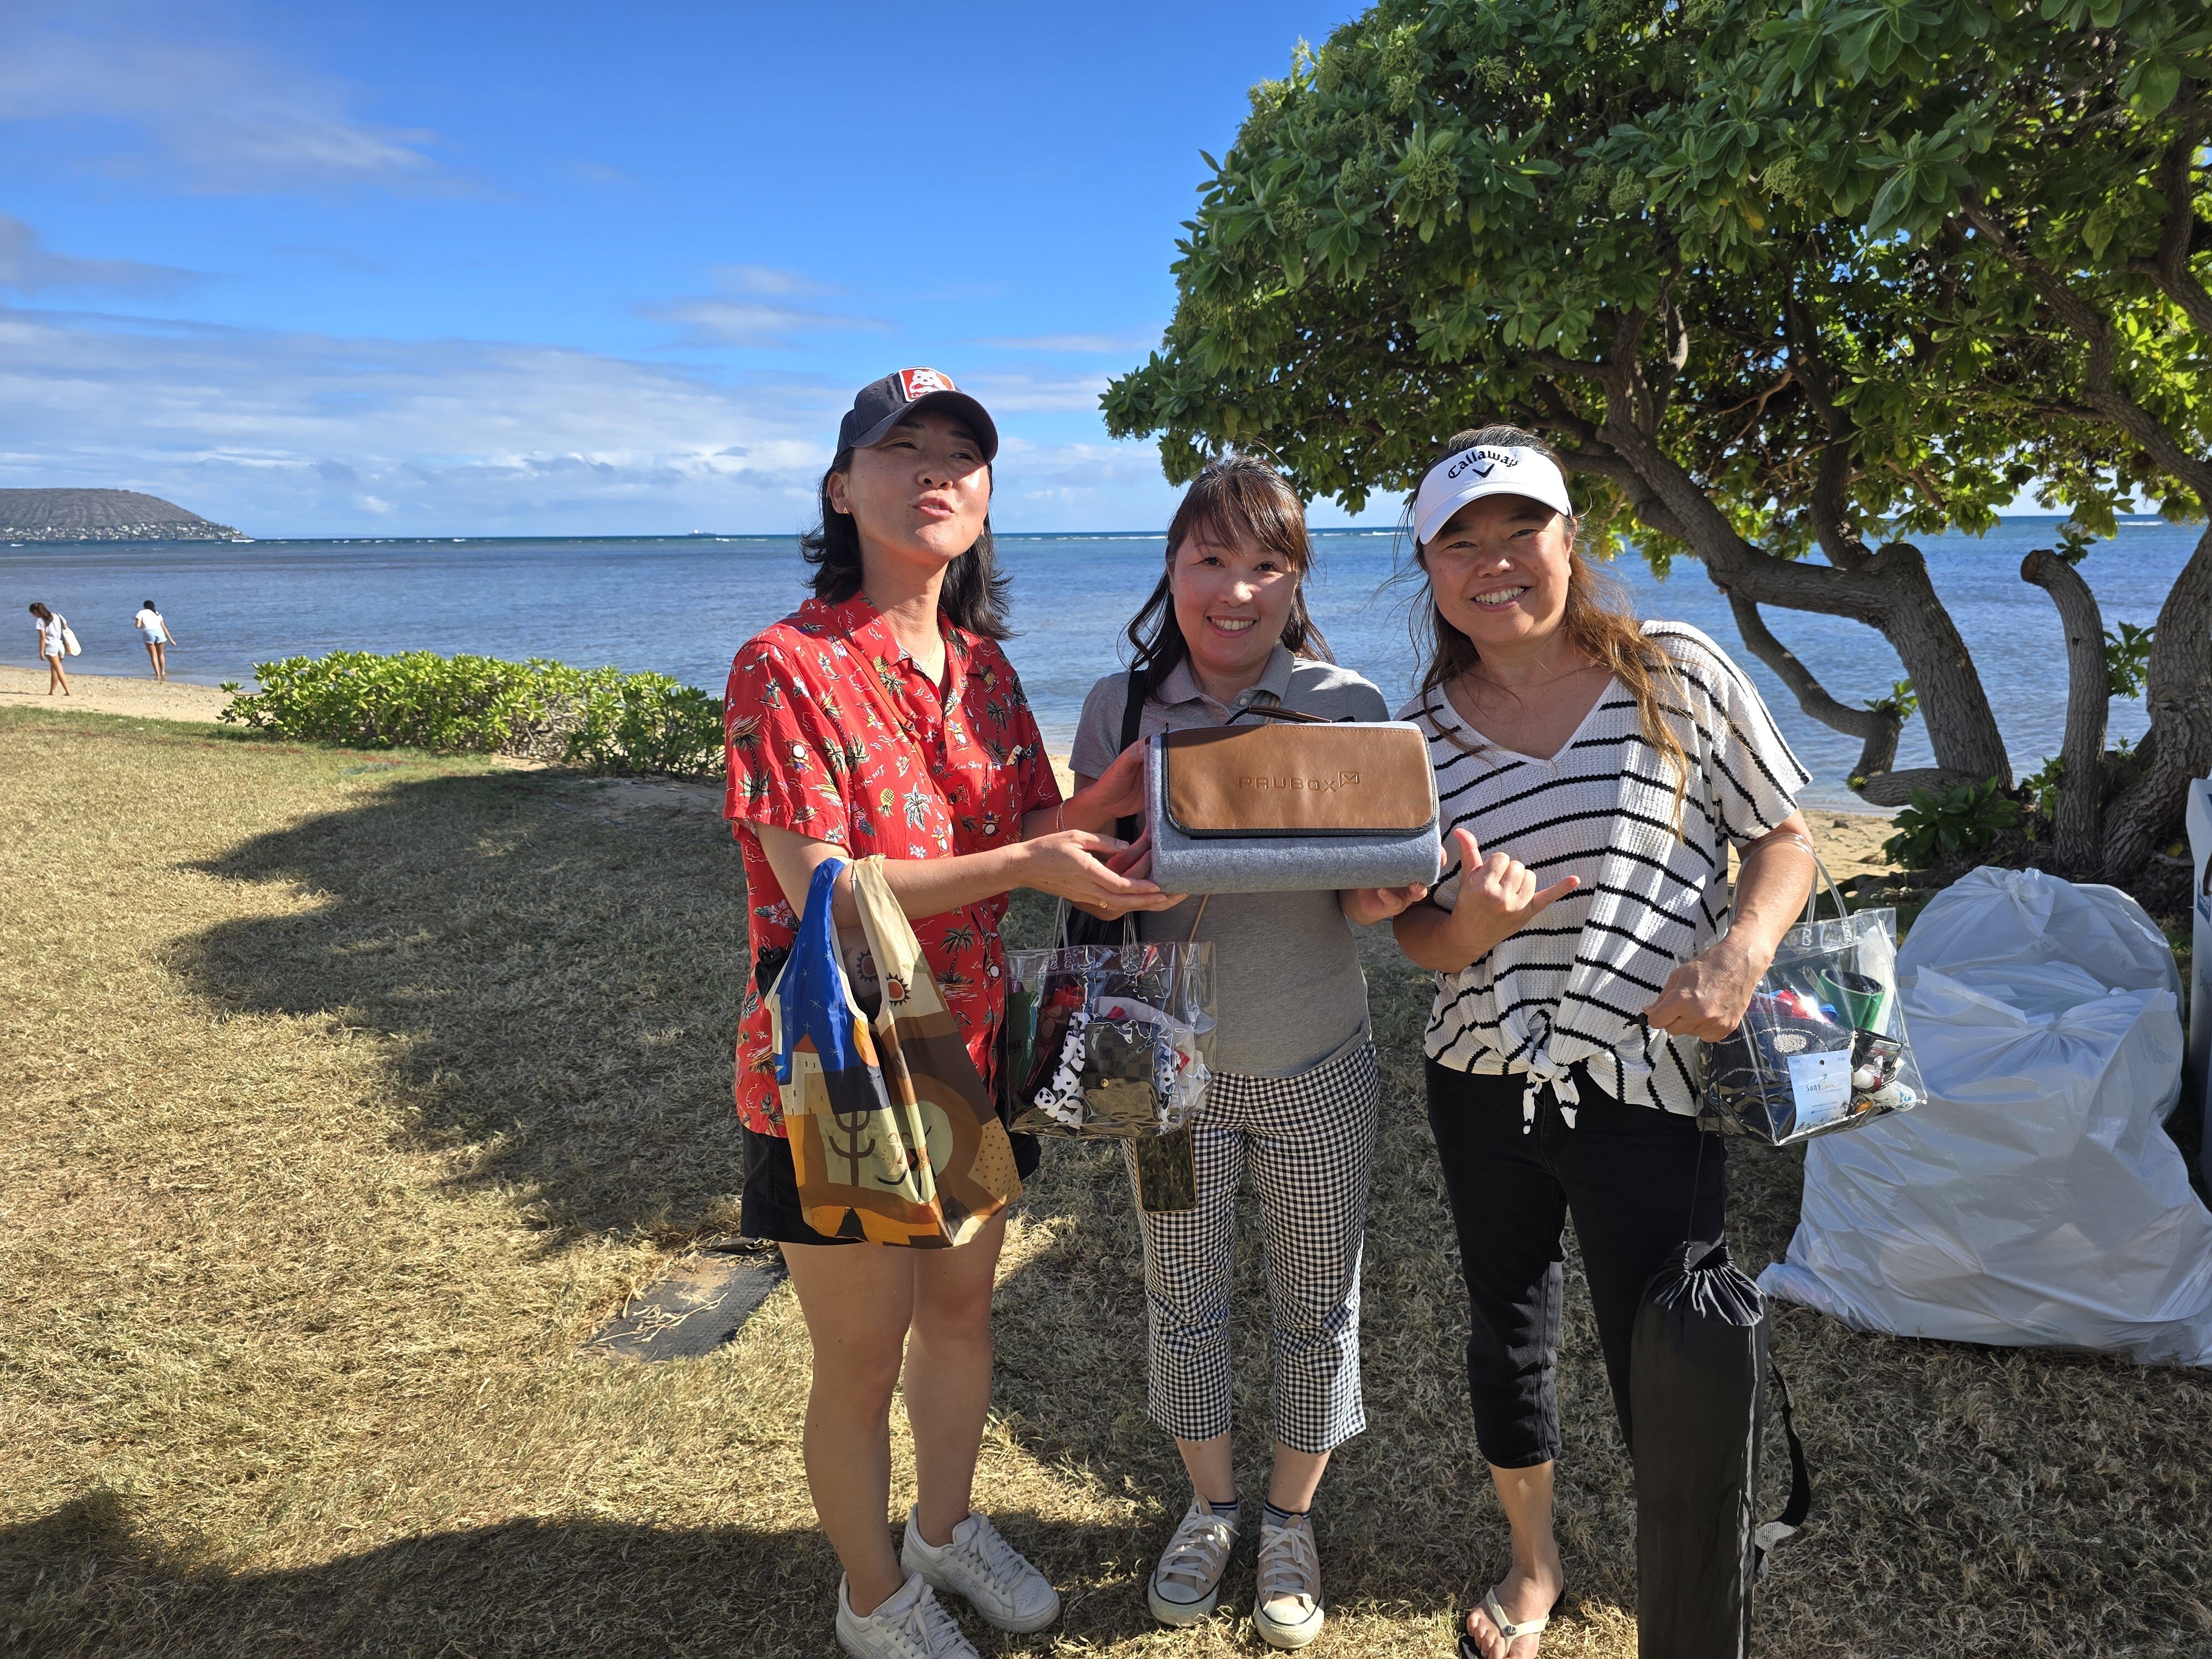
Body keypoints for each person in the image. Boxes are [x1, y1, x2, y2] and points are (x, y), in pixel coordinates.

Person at [723, 368, 1180, 1659]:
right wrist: (1032, 868)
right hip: (847, 1067)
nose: (935, 472)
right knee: (860, 1360)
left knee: (962, 1314)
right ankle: (872, 1594)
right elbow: (825, 891)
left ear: (984, 501)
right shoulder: (786, 664)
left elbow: (1016, 826)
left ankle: (942, 1525)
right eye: (901, 448)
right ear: (842, 486)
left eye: (961, 457)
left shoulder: (980, 668)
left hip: (967, 1056)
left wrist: (1097, 809)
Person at [1385, 427, 1816, 1659]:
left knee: (1669, 1345)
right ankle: (1532, 1568)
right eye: (1458, 543)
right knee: (1505, 1332)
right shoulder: (1416, 740)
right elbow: (1419, 941)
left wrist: (1738, 955)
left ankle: (1685, 1587)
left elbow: (1782, 838)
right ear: (1426, 571)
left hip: (1654, 1083)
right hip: (1478, 1084)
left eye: (1520, 530)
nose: (1494, 562)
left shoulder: (1671, 674)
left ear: (1572, 543)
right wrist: (1465, 923)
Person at [1068, 455, 1429, 1651]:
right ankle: (1210, 1505)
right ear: (1170, 569)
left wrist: (1391, 893)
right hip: (1154, 1076)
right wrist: (1106, 864)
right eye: (1208, 559)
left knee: (1317, 1306)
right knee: (1181, 1299)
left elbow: (1363, 908)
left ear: (1296, 578)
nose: (1235, 589)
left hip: (1318, 1061)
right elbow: (1077, 893)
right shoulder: (1117, 712)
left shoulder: (1350, 707)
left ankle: (1287, 1519)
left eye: (1265, 562)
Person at [28, 602, 69, 696]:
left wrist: (41, 652)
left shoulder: (41, 621)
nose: (33, 616)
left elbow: (43, 638)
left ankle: (68, 691)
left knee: (58, 669)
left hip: (52, 647)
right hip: (60, 645)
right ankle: (52, 691)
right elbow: (66, 629)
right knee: (54, 669)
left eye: (32, 614)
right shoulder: (58, 616)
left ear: (35, 612)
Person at [134, 600, 176, 680]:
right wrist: (171, 640)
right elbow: (164, 627)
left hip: (149, 633)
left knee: (154, 655)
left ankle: (158, 674)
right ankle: (163, 672)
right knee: (161, 654)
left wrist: (136, 620)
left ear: (144, 606)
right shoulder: (157, 613)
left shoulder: (141, 613)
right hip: (160, 632)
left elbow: (138, 626)